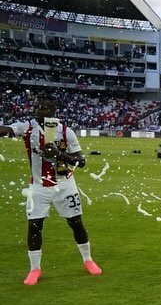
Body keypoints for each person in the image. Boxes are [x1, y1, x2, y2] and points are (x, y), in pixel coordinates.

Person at [0, 93, 102, 285]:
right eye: (36, 106)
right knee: (35, 226)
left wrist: (59, 154)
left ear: (53, 110)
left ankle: (88, 260)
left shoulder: (65, 132)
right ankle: (34, 269)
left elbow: (81, 162)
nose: (38, 110)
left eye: (44, 107)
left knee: (76, 223)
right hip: (38, 186)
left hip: (65, 185)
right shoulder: (27, 127)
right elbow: (5, 130)